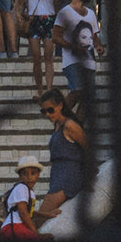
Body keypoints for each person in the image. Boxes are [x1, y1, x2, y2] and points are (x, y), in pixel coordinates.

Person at [35, 90, 88, 222]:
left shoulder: (70, 125)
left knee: (39, 220)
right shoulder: (57, 126)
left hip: (68, 177)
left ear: (60, 106)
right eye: (44, 111)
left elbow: (88, 148)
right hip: (58, 175)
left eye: (50, 110)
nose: (47, 114)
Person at [18, 0, 62, 95]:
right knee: (36, 57)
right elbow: (20, 3)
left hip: (49, 20)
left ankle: (48, 89)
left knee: (48, 57)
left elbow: (57, 5)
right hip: (34, 20)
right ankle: (40, 90)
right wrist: (20, 16)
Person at [53, 0, 101, 92]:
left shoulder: (91, 13)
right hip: (72, 61)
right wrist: (73, 46)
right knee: (78, 91)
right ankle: (63, 109)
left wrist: (99, 46)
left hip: (89, 62)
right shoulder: (65, 12)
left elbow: (94, 36)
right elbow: (55, 37)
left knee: (87, 96)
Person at [0, 155, 44, 240]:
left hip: (16, 226)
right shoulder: (21, 187)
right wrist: (37, 233)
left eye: (33, 173)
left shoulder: (30, 191)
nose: (29, 177)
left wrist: (47, 214)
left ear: (38, 175)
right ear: (20, 176)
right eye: (25, 174)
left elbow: (29, 212)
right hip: (13, 226)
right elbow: (23, 213)